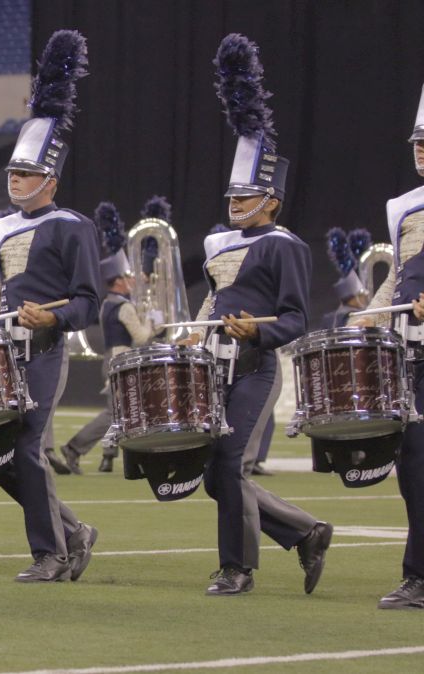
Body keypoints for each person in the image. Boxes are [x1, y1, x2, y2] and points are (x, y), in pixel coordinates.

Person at [180, 34, 331, 596]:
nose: (234, 205)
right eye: (231, 196)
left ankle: (238, 569)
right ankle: (305, 532)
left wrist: (257, 333)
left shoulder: (285, 245)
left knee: (230, 467)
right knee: (216, 477)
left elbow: (297, 320)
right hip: (213, 366)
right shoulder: (219, 244)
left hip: (255, 368)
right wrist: (196, 333)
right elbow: (212, 301)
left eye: (246, 196)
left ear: (271, 198)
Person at [0, 31, 99, 583]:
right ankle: (73, 533)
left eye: (28, 174)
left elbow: (89, 303)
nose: (17, 181)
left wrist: (53, 318)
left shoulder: (72, 226)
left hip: (42, 351)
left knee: (25, 446)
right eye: (13, 173)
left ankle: (51, 554)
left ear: (51, 179)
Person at [350, 81, 424, 609]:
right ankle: (418, 576)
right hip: (411, 354)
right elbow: (400, 275)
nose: (421, 149)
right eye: (418, 142)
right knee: (414, 465)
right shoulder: (403, 208)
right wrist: (367, 319)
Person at [57, 201, 155, 476]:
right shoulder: (124, 307)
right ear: (119, 281)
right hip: (122, 358)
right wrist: (152, 322)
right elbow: (140, 336)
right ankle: (75, 448)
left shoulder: (106, 305)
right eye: (128, 277)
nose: (132, 281)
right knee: (118, 413)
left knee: (124, 412)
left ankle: (112, 457)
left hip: (111, 358)